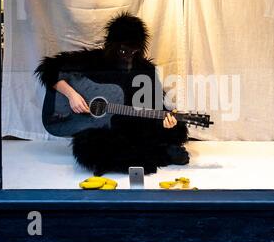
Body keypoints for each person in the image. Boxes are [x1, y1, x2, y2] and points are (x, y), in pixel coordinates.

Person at [35, 12, 189, 175]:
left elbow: (153, 107)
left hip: (131, 131)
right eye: (124, 51)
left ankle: (136, 157)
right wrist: (71, 95)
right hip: (103, 132)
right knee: (87, 146)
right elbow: (48, 68)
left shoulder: (145, 71)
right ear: (113, 46)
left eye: (134, 52)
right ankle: (158, 155)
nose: (129, 57)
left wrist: (166, 123)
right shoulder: (94, 61)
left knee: (173, 129)